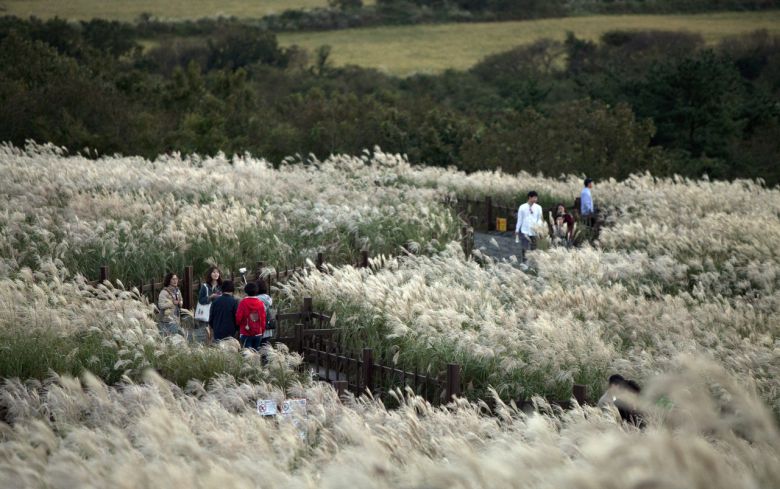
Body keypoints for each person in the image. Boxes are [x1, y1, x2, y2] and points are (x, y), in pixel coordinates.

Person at [194, 266, 222, 345]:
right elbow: (200, 300)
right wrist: (210, 297)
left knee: (215, 332)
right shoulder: (205, 286)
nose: (216, 274)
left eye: (217, 272)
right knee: (206, 332)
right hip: (207, 313)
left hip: (217, 312)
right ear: (210, 274)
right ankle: (206, 346)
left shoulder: (221, 286)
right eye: (213, 272)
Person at [235, 282, 266, 350]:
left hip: (245, 332)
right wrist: (262, 331)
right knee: (255, 353)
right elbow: (263, 318)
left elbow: (238, 318)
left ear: (246, 291)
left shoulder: (243, 302)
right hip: (258, 332)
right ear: (256, 291)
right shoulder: (260, 303)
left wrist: (238, 325)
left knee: (247, 355)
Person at [514, 191, 543, 262]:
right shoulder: (522, 207)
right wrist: (517, 230)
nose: (536, 199)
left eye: (536, 198)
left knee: (534, 248)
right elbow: (520, 219)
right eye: (534, 198)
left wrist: (538, 227)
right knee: (524, 248)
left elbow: (539, 219)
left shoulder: (538, 207)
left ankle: (533, 262)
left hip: (534, 231)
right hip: (525, 230)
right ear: (530, 197)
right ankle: (524, 262)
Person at [158, 272, 183, 337]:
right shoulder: (164, 292)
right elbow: (160, 305)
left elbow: (181, 300)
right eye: (173, 279)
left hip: (176, 318)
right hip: (167, 320)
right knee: (169, 339)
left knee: (176, 338)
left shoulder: (177, 290)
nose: (175, 281)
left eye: (176, 279)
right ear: (169, 280)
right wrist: (172, 303)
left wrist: (180, 303)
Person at [257, 280, 275, 348]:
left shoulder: (257, 300)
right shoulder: (268, 298)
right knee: (266, 351)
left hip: (259, 330)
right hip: (269, 329)